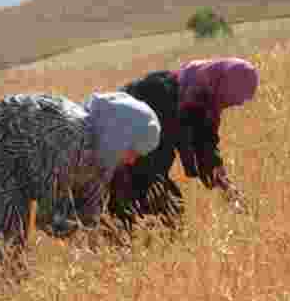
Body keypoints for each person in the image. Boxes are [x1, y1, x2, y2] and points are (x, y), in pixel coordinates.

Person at [0, 92, 161, 252]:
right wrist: (97, 243)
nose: (132, 161)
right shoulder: (70, 138)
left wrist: (106, 239)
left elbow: (89, 210)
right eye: (132, 150)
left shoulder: (104, 153)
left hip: (14, 161)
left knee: (7, 253)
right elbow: (49, 218)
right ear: (119, 136)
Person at [107, 57, 259, 229]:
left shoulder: (204, 99)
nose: (227, 105)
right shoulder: (159, 92)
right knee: (154, 208)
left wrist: (229, 191)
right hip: (121, 158)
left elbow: (206, 150)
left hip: (144, 165)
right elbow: (146, 158)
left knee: (167, 212)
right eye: (229, 99)